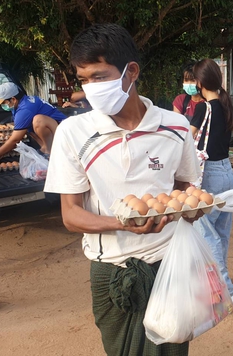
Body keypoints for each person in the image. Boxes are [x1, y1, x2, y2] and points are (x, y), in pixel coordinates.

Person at [44, 23, 200, 356]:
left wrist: (189, 208)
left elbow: (185, 187)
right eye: (84, 80)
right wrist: (123, 223)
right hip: (111, 270)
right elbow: (71, 216)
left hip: (168, 264)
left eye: (99, 77)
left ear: (131, 72)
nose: (90, 89)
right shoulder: (74, 132)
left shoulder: (175, 127)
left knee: (173, 347)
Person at [190, 58, 233, 302]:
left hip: (208, 174)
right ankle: (219, 278)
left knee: (205, 233)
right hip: (227, 173)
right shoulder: (227, 105)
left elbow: (188, 140)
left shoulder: (203, 109)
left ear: (199, 83)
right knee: (220, 232)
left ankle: (226, 288)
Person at [0, 82, 67, 165]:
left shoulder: (25, 109)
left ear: (13, 99)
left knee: (38, 121)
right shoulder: (22, 102)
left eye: (4, 102)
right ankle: (45, 148)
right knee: (27, 127)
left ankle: (49, 151)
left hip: (63, 133)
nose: (2, 105)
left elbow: (16, 139)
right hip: (54, 129)